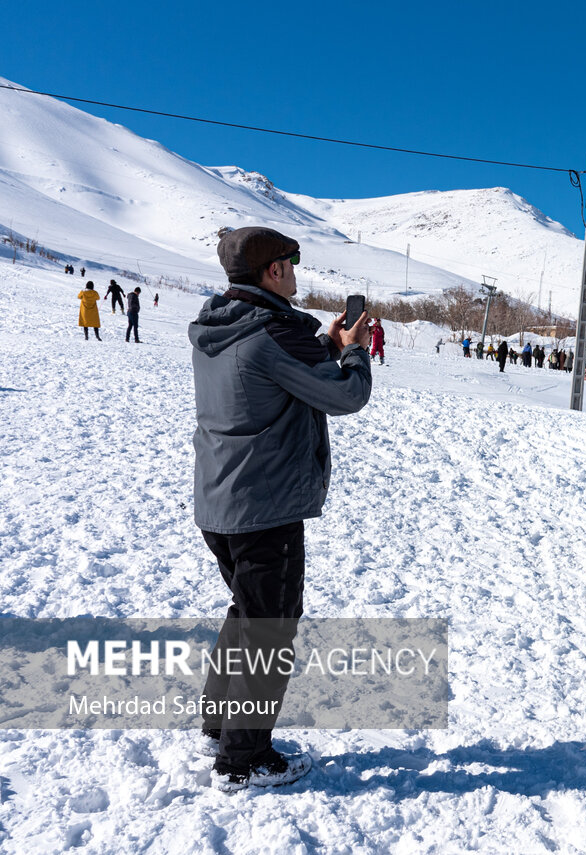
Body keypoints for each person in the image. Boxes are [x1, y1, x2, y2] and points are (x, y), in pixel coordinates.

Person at [189, 226, 372, 793]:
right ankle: (243, 760)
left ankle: (221, 725)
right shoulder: (272, 331)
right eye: (292, 261)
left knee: (248, 613)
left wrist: (325, 347)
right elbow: (346, 397)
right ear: (274, 271)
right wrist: (357, 352)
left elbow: (274, 371)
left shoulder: (221, 325)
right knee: (271, 628)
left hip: (221, 501)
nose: (296, 269)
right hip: (265, 507)